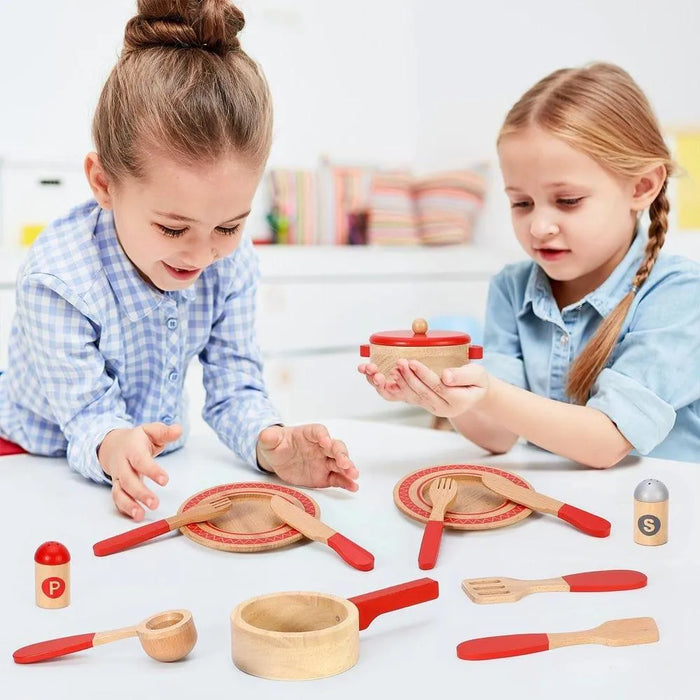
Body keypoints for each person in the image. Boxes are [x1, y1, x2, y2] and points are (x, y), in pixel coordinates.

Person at [0, 0, 358, 520]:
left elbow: (235, 385)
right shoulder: (58, 279)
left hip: (153, 462)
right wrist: (114, 446)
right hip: (36, 455)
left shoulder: (231, 265)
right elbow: (86, 416)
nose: (202, 253)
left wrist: (270, 442)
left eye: (229, 226)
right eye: (172, 227)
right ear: (104, 183)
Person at [359, 62, 700, 466]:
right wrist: (445, 397)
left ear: (642, 186)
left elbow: (607, 441)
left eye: (568, 201)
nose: (539, 226)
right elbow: (498, 436)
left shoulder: (678, 295)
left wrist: (487, 392)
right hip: (559, 505)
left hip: (659, 514)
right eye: (521, 203)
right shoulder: (511, 287)